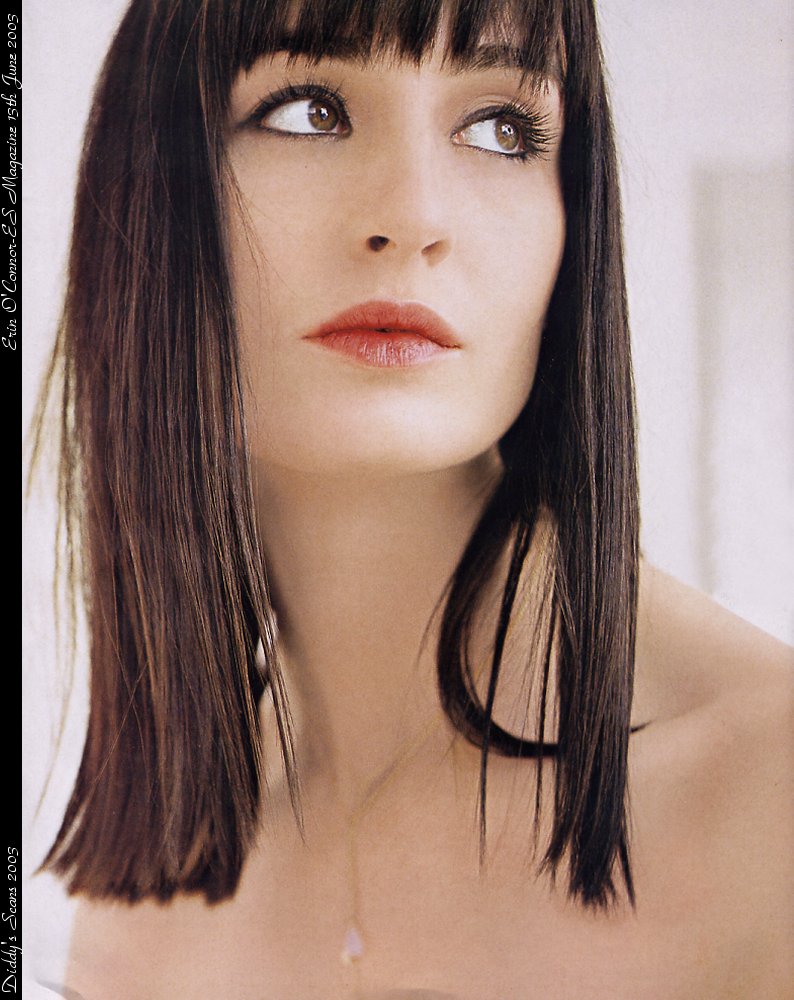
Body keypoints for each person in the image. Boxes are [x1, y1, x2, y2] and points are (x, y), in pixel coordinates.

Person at [31, 0, 793, 997]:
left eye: (500, 128)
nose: (416, 215)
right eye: (309, 110)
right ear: (150, 190)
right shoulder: (144, 902)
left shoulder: (769, 800)